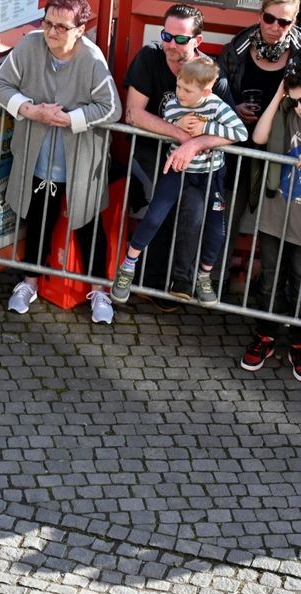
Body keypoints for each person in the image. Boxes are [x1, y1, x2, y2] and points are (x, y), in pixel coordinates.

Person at [0, 0, 121, 323]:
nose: (51, 32)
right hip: (38, 158)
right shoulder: (30, 45)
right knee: (37, 220)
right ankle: (30, 282)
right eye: (48, 23)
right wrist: (31, 110)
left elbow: (111, 107)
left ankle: (101, 291)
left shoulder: (91, 58)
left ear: (80, 29)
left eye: (62, 26)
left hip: (80, 162)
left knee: (89, 225)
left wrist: (71, 119)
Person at [123, 4, 236, 308]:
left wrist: (195, 146)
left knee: (194, 211)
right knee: (164, 205)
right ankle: (151, 280)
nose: (171, 45)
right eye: (166, 36)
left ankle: (180, 282)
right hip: (153, 153)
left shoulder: (212, 75)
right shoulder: (150, 57)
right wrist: (184, 137)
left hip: (198, 163)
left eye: (181, 39)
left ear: (198, 40)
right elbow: (133, 114)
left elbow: (231, 130)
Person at [218, 0, 301, 270]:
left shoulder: (300, 53)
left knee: (286, 228)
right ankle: (214, 281)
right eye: (269, 18)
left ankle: (279, 300)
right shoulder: (238, 48)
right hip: (240, 146)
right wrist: (234, 109)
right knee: (226, 218)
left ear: (295, 21)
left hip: (287, 149)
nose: (275, 27)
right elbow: (217, 92)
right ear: (259, 14)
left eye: (284, 22)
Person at [238, 73, 301, 380]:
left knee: (300, 279)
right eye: (297, 100)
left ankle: (298, 340)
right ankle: (266, 335)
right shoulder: (286, 112)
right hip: (276, 213)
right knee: (270, 277)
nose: (300, 107)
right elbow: (259, 138)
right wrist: (279, 96)